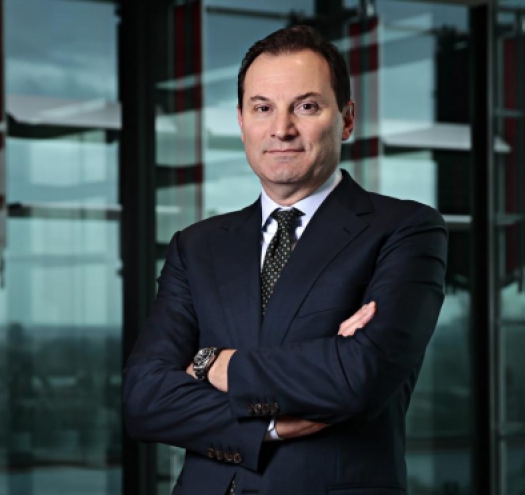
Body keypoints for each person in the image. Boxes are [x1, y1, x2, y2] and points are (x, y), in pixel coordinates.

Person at [123, 25, 447, 495]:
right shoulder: (196, 247)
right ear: (241, 122)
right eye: (263, 108)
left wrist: (212, 363)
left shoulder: (405, 229)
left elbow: (358, 376)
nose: (281, 129)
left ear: (347, 119)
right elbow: (144, 399)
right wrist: (268, 426)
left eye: (306, 106)